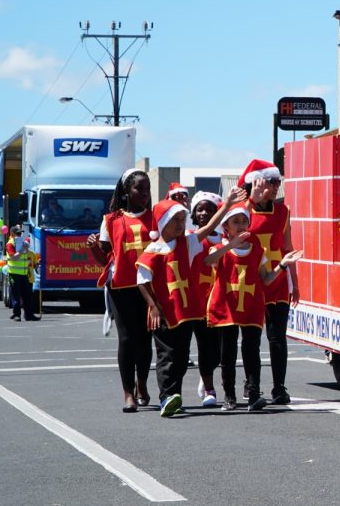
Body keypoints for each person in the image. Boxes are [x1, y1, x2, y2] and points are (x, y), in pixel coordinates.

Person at [136, 194, 238, 418]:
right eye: (176, 220)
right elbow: (142, 280)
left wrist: (227, 205)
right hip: (163, 314)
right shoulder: (153, 251)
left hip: (186, 312)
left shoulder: (188, 243)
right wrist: (153, 306)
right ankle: (166, 396)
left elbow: (210, 226)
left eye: (183, 220)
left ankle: (175, 396)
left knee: (181, 357)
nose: (182, 225)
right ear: (163, 223)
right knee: (167, 355)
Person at [206, 203, 304, 411]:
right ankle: (229, 396)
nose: (241, 225)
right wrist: (230, 245)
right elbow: (208, 261)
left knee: (252, 351)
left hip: (251, 305)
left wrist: (283, 264)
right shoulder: (221, 250)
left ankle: (253, 394)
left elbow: (266, 279)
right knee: (228, 354)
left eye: (244, 221)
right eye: (236, 222)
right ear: (226, 227)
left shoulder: (258, 249)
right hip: (227, 307)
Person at [87, 168, 159, 413]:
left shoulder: (157, 217)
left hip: (150, 287)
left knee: (145, 338)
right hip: (121, 286)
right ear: (127, 191)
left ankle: (142, 384)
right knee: (127, 339)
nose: (145, 193)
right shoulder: (112, 220)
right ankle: (128, 392)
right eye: (139, 188)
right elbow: (103, 258)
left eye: (148, 188)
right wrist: (93, 247)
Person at [239, 159, 299, 406]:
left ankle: (279, 387)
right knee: (251, 337)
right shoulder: (243, 210)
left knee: (277, 337)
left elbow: (288, 247)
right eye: (271, 182)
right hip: (251, 280)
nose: (276, 187)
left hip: (278, 280)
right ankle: (251, 385)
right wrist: (251, 200)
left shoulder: (283, 212)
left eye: (278, 182)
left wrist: (295, 283)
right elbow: (233, 233)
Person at [189, 190, 228, 405]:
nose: (204, 213)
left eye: (210, 210)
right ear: (193, 214)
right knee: (204, 346)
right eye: (200, 209)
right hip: (199, 302)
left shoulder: (226, 239)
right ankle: (211, 387)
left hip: (222, 301)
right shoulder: (190, 238)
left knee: (220, 351)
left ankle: (207, 377)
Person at [6, 226, 38, 321]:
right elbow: (13, 258)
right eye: (18, 233)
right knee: (16, 295)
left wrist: (26, 248)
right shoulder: (10, 244)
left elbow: (28, 254)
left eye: (21, 233)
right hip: (14, 273)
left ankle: (29, 315)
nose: (20, 235)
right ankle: (17, 315)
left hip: (24, 274)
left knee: (27, 295)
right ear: (12, 234)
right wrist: (22, 250)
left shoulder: (23, 243)